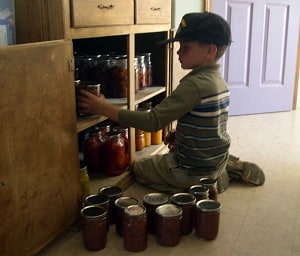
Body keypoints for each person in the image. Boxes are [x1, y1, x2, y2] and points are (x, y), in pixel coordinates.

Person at [77, 12, 265, 194]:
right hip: (215, 156)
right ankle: (221, 169)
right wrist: (183, 134)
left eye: (185, 47)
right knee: (168, 161)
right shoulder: (217, 80)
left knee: (139, 169)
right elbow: (211, 123)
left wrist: (103, 108)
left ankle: (204, 185)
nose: (178, 52)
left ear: (210, 50)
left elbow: (152, 122)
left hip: (192, 168)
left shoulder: (194, 85)